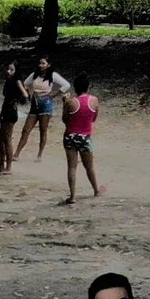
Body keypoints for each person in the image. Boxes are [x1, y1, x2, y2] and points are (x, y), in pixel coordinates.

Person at [58, 75, 105, 203]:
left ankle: (72, 196)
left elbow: (65, 120)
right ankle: (95, 190)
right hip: (85, 137)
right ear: (87, 86)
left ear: (75, 87)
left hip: (70, 136)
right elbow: (94, 118)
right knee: (89, 166)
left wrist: (64, 104)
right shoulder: (94, 100)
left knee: (72, 167)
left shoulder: (70, 102)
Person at [17, 54, 71, 164]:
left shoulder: (52, 75)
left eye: (43, 63)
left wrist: (54, 94)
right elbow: (25, 84)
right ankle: (16, 153)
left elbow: (66, 85)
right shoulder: (34, 75)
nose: (41, 65)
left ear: (49, 65)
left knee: (43, 130)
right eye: (40, 63)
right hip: (35, 103)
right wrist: (28, 94)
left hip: (46, 103)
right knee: (26, 130)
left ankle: (40, 154)